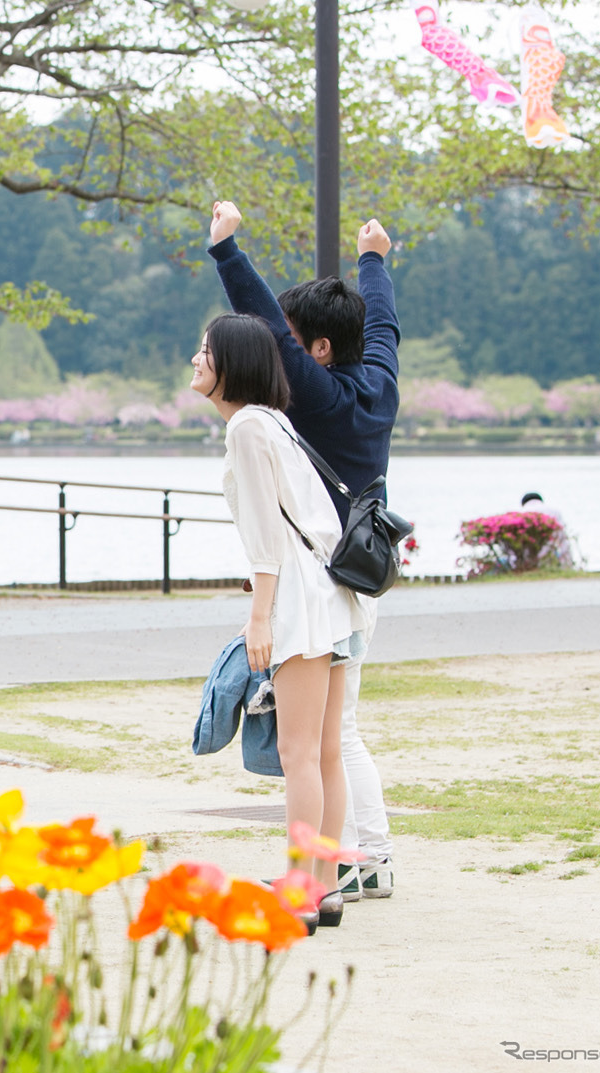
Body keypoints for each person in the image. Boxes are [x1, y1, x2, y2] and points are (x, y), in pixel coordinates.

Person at [207, 203, 400, 902]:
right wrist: (374, 260)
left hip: (318, 583)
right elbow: (383, 325)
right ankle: (347, 861)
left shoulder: (314, 397)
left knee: (330, 738)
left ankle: (362, 856)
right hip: (359, 576)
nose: (282, 347)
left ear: (318, 350)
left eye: (296, 339)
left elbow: (263, 331)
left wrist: (228, 252)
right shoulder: (378, 383)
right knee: (336, 734)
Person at [192, 313, 366, 929]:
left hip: (297, 600)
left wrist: (259, 615)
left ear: (230, 365)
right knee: (323, 753)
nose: (195, 360)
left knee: (298, 754)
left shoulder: (246, 426)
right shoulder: (274, 423)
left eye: (205, 351)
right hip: (329, 595)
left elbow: (267, 537)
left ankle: (300, 890)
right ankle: (322, 886)